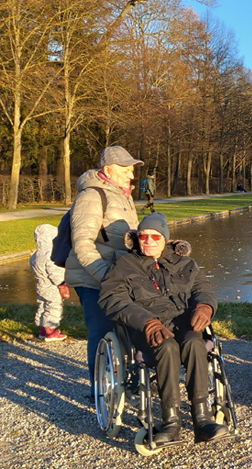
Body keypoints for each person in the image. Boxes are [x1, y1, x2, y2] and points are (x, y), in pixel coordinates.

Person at [98, 212, 229, 444]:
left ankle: (203, 419)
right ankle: (171, 422)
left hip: (183, 321)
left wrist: (205, 307)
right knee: (167, 346)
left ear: (165, 239)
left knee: (194, 341)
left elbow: (203, 288)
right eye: (143, 236)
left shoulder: (186, 263)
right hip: (147, 325)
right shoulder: (124, 265)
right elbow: (113, 300)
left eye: (155, 237)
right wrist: (147, 322)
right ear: (137, 238)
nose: (148, 241)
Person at [65, 145, 142, 398]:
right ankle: (100, 390)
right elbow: (83, 243)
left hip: (119, 277)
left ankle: (121, 380)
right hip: (93, 277)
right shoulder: (91, 196)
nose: (131, 175)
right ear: (107, 169)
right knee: (101, 332)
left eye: (132, 170)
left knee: (124, 329)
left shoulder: (123, 195)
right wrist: (107, 277)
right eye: (126, 169)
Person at [30, 224, 71, 342]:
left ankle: (42, 329)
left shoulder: (36, 255)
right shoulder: (50, 255)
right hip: (51, 286)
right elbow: (54, 271)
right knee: (53, 306)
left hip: (41, 284)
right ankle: (50, 331)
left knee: (43, 305)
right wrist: (62, 283)